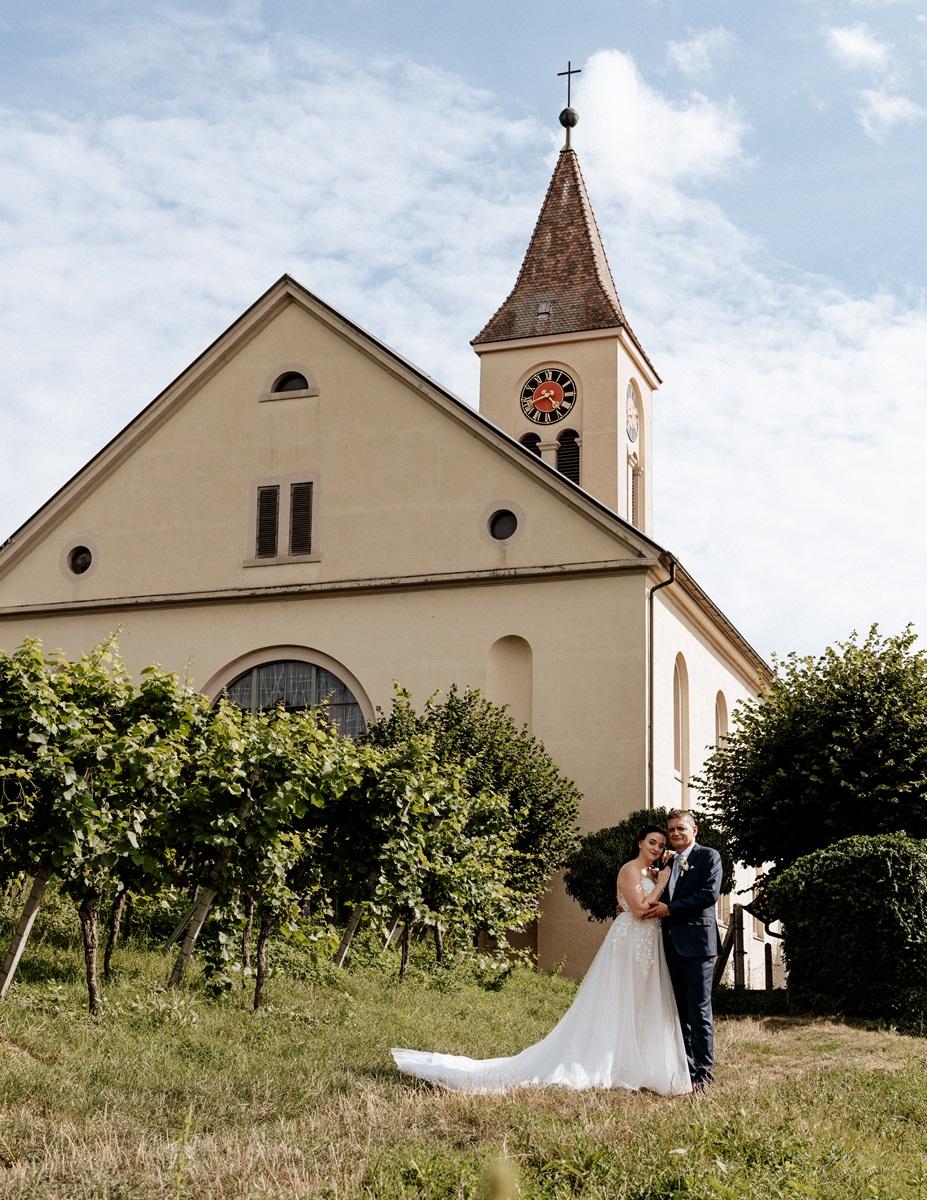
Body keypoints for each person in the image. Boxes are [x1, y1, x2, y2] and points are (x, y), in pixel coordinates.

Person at [390, 826, 692, 1095]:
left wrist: (659, 877)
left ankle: (637, 1062)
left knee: (641, 1001)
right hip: (629, 941)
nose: (656, 848)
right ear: (640, 843)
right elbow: (639, 910)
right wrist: (663, 881)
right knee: (620, 999)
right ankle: (610, 1060)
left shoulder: (650, 874)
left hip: (649, 944)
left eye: (660, 844)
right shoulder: (629, 870)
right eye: (652, 842)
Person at [643, 809, 722, 1093]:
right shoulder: (668, 862)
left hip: (698, 945)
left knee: (699, 1010)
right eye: (672, 830)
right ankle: (685, 1069)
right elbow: (660, 895)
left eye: (681, 829)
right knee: (678, 1011)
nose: (675, 833)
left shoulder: (708, 856)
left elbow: (708, 894)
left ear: (694, 831)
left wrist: (670, 909)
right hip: (670, 944)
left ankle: (704, 1072)